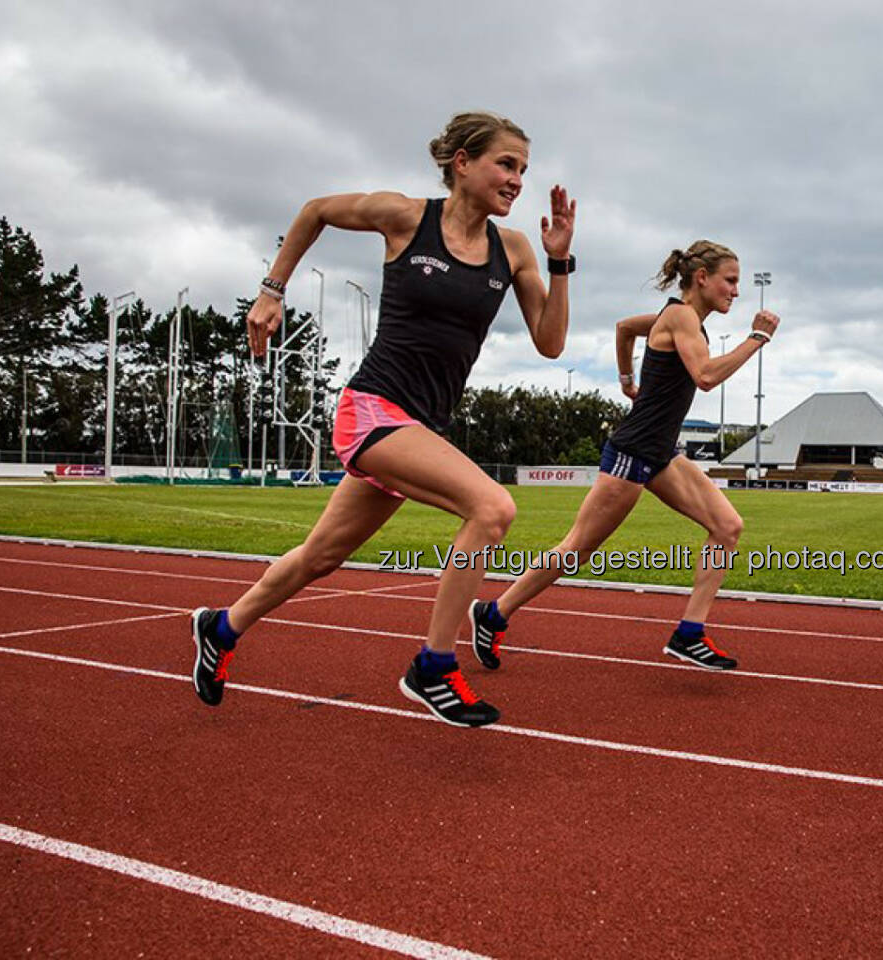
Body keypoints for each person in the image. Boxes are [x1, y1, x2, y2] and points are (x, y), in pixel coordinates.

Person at [190, 111, 576, 728]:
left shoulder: (515, 249)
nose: (517, 181)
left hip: (419, 427)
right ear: (463, 163)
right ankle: (433, 666)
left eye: (524, 170)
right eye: (506, 164)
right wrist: (273, 289)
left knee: (320, 556)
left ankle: (221, 626)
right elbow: (315, 209)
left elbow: (551, 343)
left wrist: (559, 265)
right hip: (371, 409)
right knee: (492, 507)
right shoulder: (405, 217)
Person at [466, 240, 778, 673]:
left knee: (726, 526)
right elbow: (705, 376)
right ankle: (493, 613)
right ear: (702, 278)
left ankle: (689, 634)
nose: (736, 292)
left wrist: (627, 379)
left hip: (661, 453)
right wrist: (757, 338)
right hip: (633, 453)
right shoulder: (682, 316)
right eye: (731, 280)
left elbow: (623, 328)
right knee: (577, 550)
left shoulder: (675, 318)